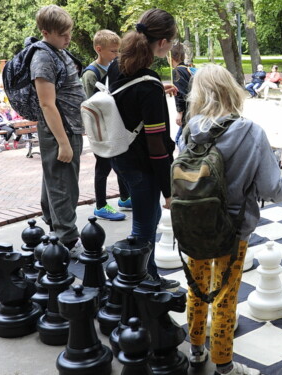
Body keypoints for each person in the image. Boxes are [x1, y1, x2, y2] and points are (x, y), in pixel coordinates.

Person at [184, 64, 282, 375]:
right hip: (234, 228)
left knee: (197, 286)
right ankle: (225, 365)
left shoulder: (191, 128)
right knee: (225, 293)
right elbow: (273, 188)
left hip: (194, 222)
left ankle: (195, 352)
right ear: (232, 90)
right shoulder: (251, 131)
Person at [105, 8, 180, 291]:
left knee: (148, 220)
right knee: (144, 228)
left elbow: (129, 98)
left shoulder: (117, 66)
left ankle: (149, 276)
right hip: (141, 164)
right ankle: (140, 285)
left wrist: (157, 86)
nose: (171, 47)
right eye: (171, 41)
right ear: (161, 43)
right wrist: (169, 191)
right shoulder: (148, 87)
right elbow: (158, 147)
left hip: (120, 155)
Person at [30, 5, 86, 257]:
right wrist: (63, 142)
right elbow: (46, 103)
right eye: (63, 34)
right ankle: (68, 240)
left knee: (56, 179)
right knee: (64, 185)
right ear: (45, 32)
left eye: (69, 33)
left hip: (69, 127)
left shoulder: (57, 51)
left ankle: (55, 228)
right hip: (60, 130)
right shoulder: (43, 57)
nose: (68, 38)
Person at [82, 29, 129, 221]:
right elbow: (89, 104)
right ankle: (100, 205)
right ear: (99, 49)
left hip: (114, 124)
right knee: (103, 167)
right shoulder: (91, 74)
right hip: (101, 130)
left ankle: (125, 197)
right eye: (113, 51)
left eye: (118, 51)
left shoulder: (114, 68)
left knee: (120, 162)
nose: (117, 55)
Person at [170, 42, 194, 150]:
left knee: (180, 139)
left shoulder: (177, 71)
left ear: (171, 58)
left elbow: (180, 93)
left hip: (187, 112)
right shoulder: (187, 68)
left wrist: (179, 113)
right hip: (193, 109)